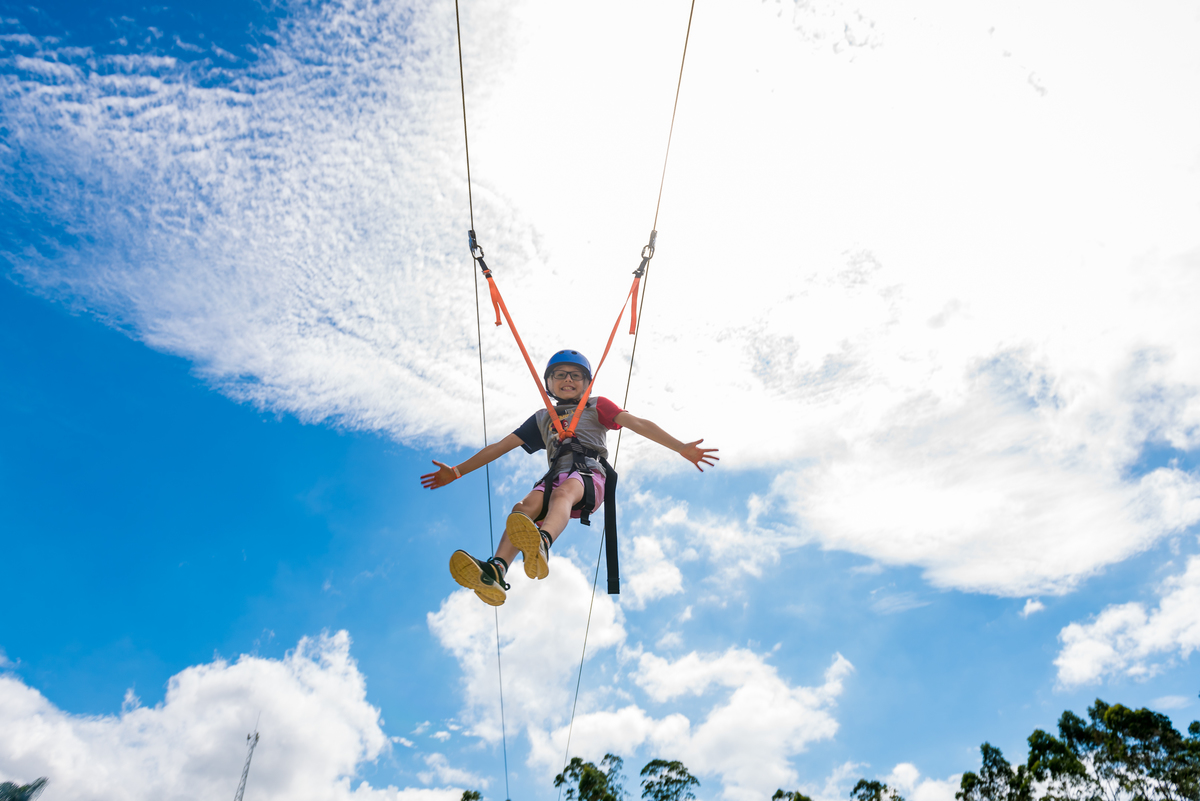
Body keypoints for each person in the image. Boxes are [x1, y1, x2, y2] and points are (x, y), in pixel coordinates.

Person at [420, 349, 718, 606]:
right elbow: (500, 447)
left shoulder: (597, 405)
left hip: (588, 472)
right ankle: (498, 569)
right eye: (560, 375)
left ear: (587, 384)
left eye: (576, 376)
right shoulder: (542, 417)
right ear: (549, 383)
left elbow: (637, 423)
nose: (568, 380)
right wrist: (458, 471)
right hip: (553, 475)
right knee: (522, 509)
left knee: (564, 494)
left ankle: (543, 542)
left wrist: (679, 447)